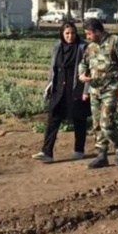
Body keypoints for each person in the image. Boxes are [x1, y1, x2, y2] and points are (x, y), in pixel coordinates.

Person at [32, 22, 91, 163]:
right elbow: (53, 67)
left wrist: (86, 89)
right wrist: (49, 85)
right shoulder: (58, 46)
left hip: (76, 87)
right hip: (59, 88)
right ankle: (47, 152)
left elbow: (89, 69)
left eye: (73, 33)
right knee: (53, 118)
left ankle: (79, 150)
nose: (70, 36)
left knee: (79, 119)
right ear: (62, 34)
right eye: (67, 33)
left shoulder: (83, 47)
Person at [78, 18, 118, 169]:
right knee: (96, 124)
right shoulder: (91, 47)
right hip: (95, 89)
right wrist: (82, 75)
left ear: (97, 31)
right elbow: (83, 63)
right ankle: (101, 154)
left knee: (106, 122)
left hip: (111, 88)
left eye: (89, 34)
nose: (87, 37)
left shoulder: (115, 41)